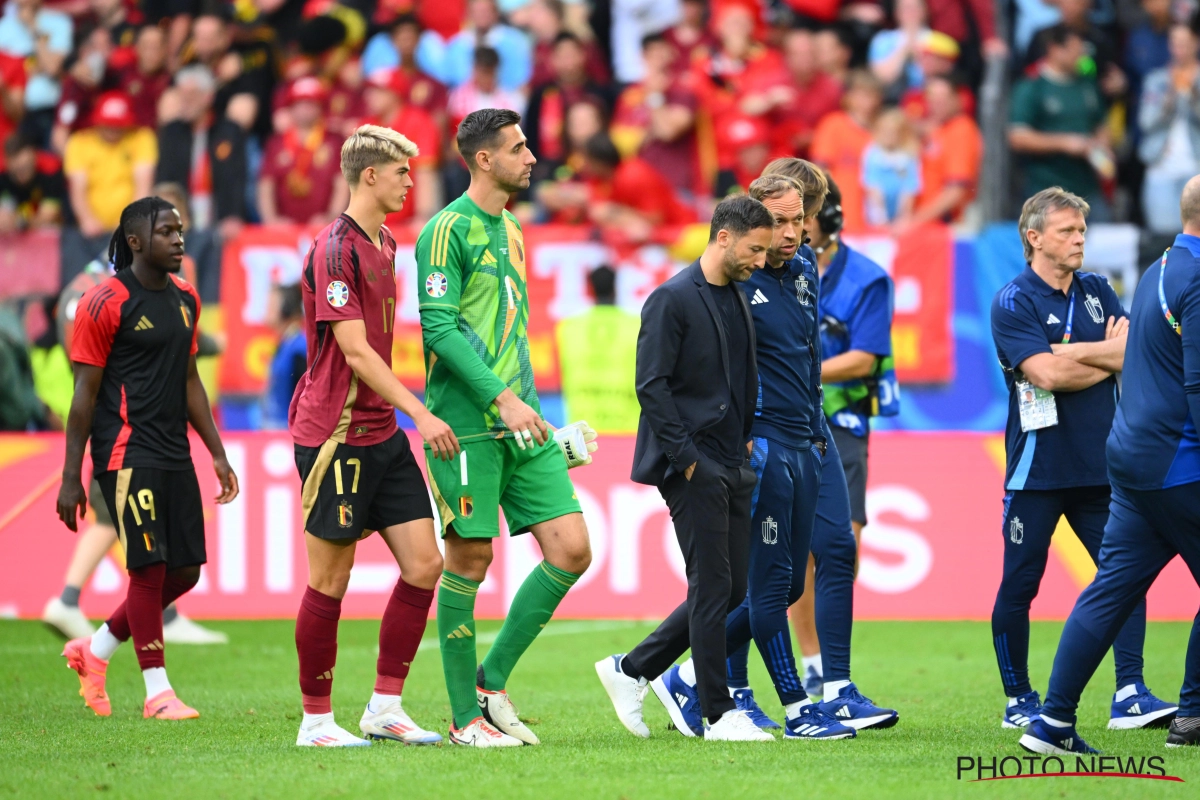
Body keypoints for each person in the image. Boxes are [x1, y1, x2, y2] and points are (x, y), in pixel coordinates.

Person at [417, 108, 593, 747]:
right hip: (467, 424)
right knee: (470, 555)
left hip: (525, 417)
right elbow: (438, 329)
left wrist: (531, 407)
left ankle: (490, 684)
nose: (532, 159)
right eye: (519, 149)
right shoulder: (444, 231)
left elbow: (508, 328)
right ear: (483, 158)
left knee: (572, 549)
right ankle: (464, 719)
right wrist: (502, 402)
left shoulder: (515, 229)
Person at [1017, 176, 1200, 755]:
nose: (1079, 238)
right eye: (1067, 229)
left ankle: (1051, 724)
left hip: (1129, 456)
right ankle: (1193, 715)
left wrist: (1067, 353)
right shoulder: (1194, 279)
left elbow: (1137, 357)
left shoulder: (1159, 269)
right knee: (1087, 588)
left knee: (1111, 590)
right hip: (1178, 458)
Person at [288, 125, 457, 748]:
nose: (410, 181)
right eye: (401, 173)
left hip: (380, 433)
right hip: (335, 435)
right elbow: (354, 352)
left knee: (424, 564)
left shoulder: (385, 241)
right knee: (330, 581)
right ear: (369, 177)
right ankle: (315, 721)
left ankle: (385, 707)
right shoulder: (334, 250)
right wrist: (423, 413)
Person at [718, 162, 899, 731]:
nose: (796, 232)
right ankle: (725, 682)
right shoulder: (733, 277)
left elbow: (809, 356)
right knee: (759, 579)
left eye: (803, 220)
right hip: (761, 443)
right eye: (782, 221)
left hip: (813, 436)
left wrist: (818, 424)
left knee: (833, 554)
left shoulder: (803, 270)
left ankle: (837, 685)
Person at [596, 194, 773, 743]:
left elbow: (740, 376)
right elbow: (651, 386)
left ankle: (633, 669)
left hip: (732, 458)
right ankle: (717, 714)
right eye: (755, 248)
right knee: (714, 583)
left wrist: (742, 443)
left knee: (732, 585)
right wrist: (690, 462)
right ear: (724, 236)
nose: (761, 261)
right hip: (692, 463)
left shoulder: (739, 295)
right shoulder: (671, 298)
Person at [55, 196, 240, 720]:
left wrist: (218, 453)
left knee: (184, 572)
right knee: (149, 566)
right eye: (167, 232)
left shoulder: (186, 298)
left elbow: (189, 382)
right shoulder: (104, 302)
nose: (179, 239)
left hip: (175, 451)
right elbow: (82, 397)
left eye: (181, 230)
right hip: (125, 452)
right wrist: (73, 478)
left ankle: (94, 653)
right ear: (135, 241)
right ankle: (158, 693)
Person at [41, 253, 228, 645]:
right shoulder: (115, 292)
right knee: (116, 522)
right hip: (122, 425)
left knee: (128, 527)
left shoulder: (86, 282)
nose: (176, 242)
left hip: (116, 420)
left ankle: (87, 609)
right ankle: (73, 602)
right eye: (168, 230)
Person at [1009, 25, 1112, 218]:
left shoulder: (1087, 85)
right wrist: (1065, 143)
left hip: (1089, 188)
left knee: (1102, 240)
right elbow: (1018, 137)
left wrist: (1103, 146)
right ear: (1055, 50)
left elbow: (1101, 123)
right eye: (1076, 51)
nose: (1083, 57)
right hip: (1047, 189)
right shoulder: (1032, 87)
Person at [555, 265, 640, 434]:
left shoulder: (567, 328)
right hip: (629, 427)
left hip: (582, 429)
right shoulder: (638, 325)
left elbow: (562, 374)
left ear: (589, 289)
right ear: (616, 288)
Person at [63, 91, 156, 239]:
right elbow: (78, 187)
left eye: (119, 124)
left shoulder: (142, 138)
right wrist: (87, 219)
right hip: (92, 232)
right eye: (108, 124)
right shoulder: (79, 142)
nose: (113, 129)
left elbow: (143, 185)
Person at [258, 78, 347, 228]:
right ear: (290, 107)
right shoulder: (276, 143)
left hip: (325, 230)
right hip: (284, 232)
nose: (305, 108)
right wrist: (271, 221)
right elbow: (266, 186)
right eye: (299, 103)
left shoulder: (335, 142)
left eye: (311, 103)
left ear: (321, 106)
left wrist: (333, 217)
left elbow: (342, 184)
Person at [1137, 22, 1200, 235]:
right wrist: (1168, 100)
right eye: (1174, 43)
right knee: (1162, 237)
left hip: (1196, 169)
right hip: (1161, 167)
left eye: (1184, 43)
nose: (1178, 49)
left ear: (1196, 43)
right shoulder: (1157, 79)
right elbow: (1145, 122)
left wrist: (1193, 98)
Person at [811, 70, 884, 233]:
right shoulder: (833, 125)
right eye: (861, 94)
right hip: (842, 215)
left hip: (877, 220)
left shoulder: (884, 131)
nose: (866, 101)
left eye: (871, 95)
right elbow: (820, 171)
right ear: (849, 96)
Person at [910, 74, 982, 227]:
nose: (937, 103)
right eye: (932, 97)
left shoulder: (961, 129)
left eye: (943, 97)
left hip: (944, 226)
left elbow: (955, 191)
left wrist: (913, 222)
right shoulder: (936, 129)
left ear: (957, 99)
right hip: (926, 223)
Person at [861, 107, 922, 226]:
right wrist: (880, 218)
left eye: (893, 132)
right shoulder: (872, 153)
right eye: (885, 131)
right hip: (876, 213)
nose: (888, 135)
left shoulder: (909, 155)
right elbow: (873, 188)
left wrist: (904, 217)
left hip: (901, 211)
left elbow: (909, 188)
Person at [0, 132, 64, 233]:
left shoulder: (51, 170)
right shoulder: (3, 175)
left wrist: (19, 222)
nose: (21, 175)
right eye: (16, 171)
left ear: (34, 155)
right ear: (8, 163)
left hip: (47, 233)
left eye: (25, 168)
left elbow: (49, 215)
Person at [263, 282, 305, 430]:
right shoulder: (285, 343)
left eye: (271, 305)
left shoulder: (299, 349)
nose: (266, 310)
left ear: (285, 309)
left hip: (288, 433)